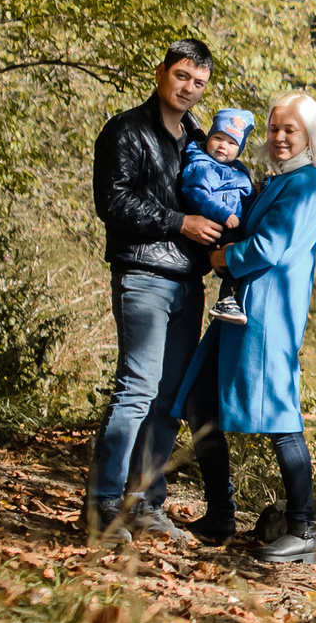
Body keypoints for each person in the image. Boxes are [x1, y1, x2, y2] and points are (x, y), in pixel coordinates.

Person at [174, 93, 316, 564]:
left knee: (281, 414)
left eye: (291, 131)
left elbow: (271, 245)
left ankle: (303, 529)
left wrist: (224, 257)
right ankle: (221, 513)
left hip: (269, 315)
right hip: (238, 308)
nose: (279, 138)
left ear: (309, 137)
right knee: (200, 400)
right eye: (274, 129)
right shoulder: (277, 180)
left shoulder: (307, 184)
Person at [88, 40, 227, 543]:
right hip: (143, 275)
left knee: (169, 399)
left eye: (199, 83)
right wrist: (179, 223)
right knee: (137, 388)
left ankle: (144, 502)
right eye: (182, 76)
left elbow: (216, 196)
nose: (189, 88)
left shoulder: (198, 137)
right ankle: (102, 504)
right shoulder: (126, 130)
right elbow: (113, 201)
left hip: (189, 282)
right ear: (161, 73)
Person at [184, 108, 258, 325]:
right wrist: (223, 214)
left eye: (231, 143)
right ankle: (226, 298)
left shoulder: (238, 171)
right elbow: (196, 195)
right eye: (217, 138)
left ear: (240, 150)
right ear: (208, 138)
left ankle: (236, 297)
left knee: (248, 248)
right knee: (234, 251)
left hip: (235, 225)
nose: (222, 146)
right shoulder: (202, 166)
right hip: (213, 226)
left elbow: (247, 198)